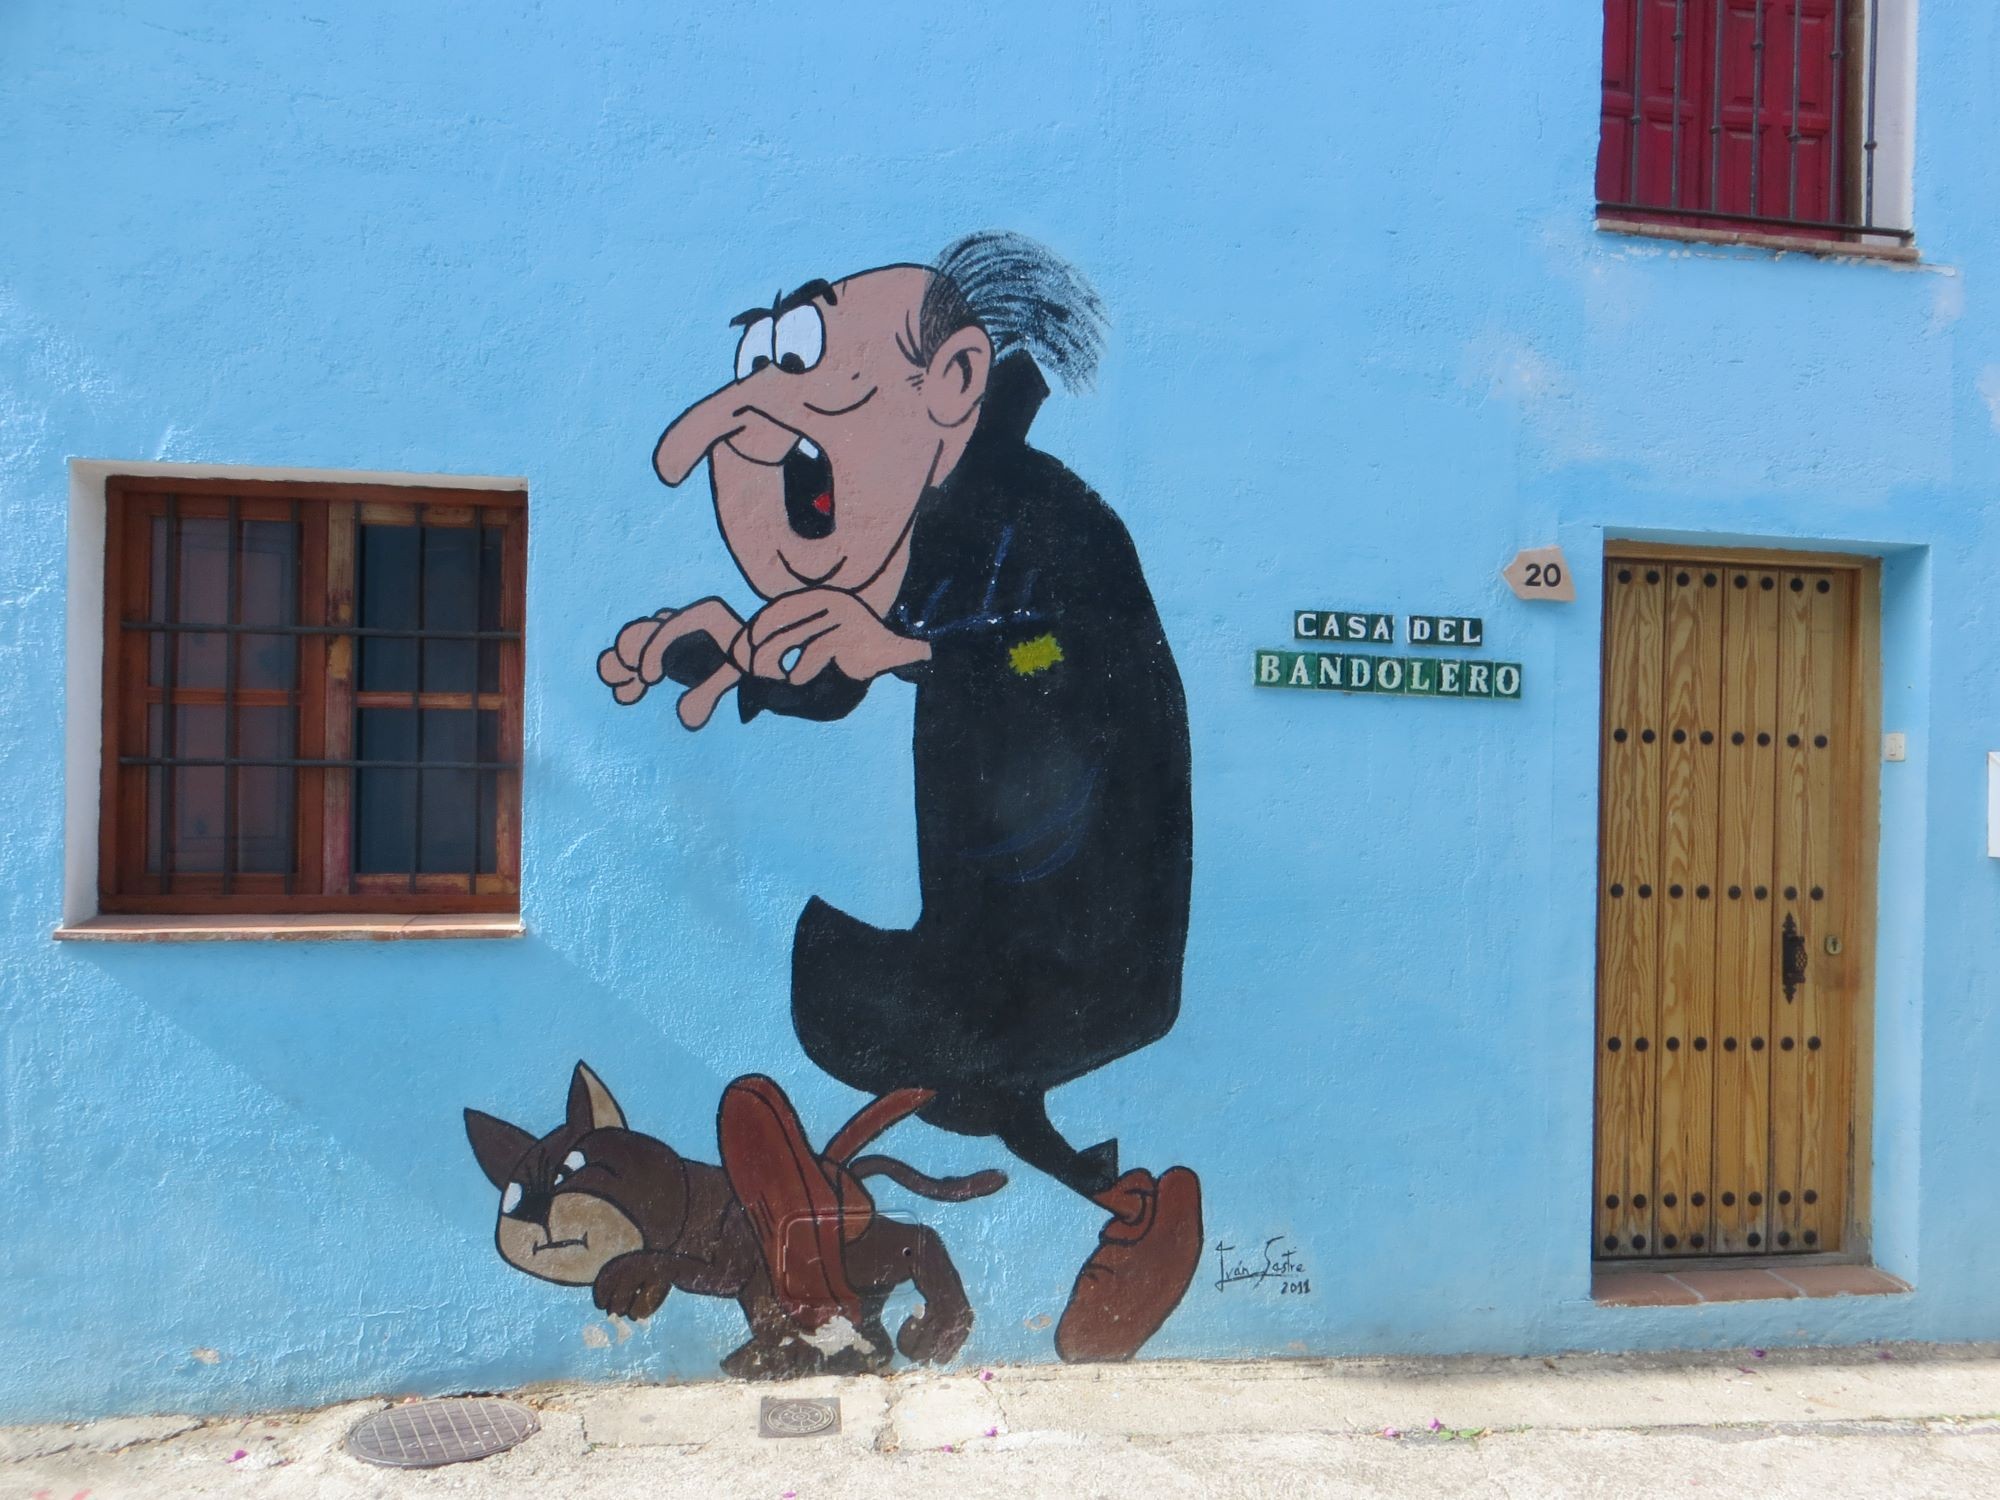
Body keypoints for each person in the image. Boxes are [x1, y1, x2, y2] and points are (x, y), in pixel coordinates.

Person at [600, 233, 1199, 1361]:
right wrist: (722, 652)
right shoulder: (930, 515)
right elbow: (841, 664)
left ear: (956, 377)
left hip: (1087, 922)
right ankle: (1125, 1209)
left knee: (913, 1031)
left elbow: (1066, 659)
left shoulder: (1054, 523)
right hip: (988, 903)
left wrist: (921, 655)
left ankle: (835, 1246)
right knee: (924, 1047)